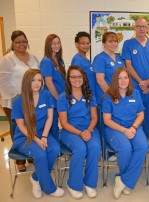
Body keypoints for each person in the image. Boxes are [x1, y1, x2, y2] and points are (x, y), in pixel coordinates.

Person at [11, 69, 64, 198]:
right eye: (33, 80)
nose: (37, 83)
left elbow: (50, 118)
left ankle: (36, 178)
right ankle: (49, 188)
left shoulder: (46, 95)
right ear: (27, 81)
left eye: (39, 80)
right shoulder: (18, 101)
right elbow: (21, 126)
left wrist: (44, 136)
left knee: (55, 148)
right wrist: (36, 139)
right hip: (25, 137)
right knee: (40, 153)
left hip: (43, 133)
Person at [102, 67, 149, 199]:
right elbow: (107, 120)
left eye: (125, 77)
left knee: (143, 147)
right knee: (125, 148)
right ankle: (127, 181)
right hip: (115, 129)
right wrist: (124, 130)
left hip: (133, 127)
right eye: (119, 78)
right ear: (115, 80)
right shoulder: (108, 96)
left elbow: (141, 115)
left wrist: (133, 128)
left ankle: (123, 180)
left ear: (129, 79)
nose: (123, 81)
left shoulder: (135, 93)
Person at [57, 66, 101, 199]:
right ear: (68, 79)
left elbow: (94, 117)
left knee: (95, 147)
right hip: (70, 131)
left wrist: (88, 130)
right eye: (73, 77)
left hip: (89, 128)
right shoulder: (63, 97)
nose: (76, 79)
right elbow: (64, 123)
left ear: (84, 78)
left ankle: (89, 182)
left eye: (79, 77)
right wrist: (80, 133)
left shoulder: (90, 95)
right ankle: (74, 184)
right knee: (80, 149)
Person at [0, 30, 39, 171]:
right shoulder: (7, 59)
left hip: (32, 101)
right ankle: (20, 160)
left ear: (27, 42)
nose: (21, 44)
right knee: (17, 129)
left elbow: (38, 76)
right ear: (13, 43)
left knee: (31, 127)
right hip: (13, 101)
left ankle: (30, 155)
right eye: (18, 42)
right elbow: (2, 81)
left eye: (24, 41)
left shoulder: (33, 57)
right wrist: (17, 98)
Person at [122, 17, 149, 139]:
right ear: (134, 28)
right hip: (134, 88)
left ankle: (144, 144)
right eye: (138, 26)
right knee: (133, 115)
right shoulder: (128, 44)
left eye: (144, 26)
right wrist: (141, 83)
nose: (141, 29)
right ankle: (132, 141)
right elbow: (128, 66)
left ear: (147, 28)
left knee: (147, 116)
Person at [92, 31, 124, 162]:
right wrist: (112, 95)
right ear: (104, 43)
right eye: (110, 41)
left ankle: (114, 150)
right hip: (105, 99)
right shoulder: (100, 58)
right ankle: (106, 154)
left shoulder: (119, 58)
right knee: (104, 126)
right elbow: (100, 80)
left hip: (118, 99)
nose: (113, 44)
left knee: (114, 126)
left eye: (115, 41)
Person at [40, 34, 66, 142]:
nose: (56, 45)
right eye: (53, 43)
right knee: (53, 124)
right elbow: (49, 83)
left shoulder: (59, 60)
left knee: (63, 123)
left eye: (58, 42)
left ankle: (61, 147)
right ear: (48, 45)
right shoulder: (46, 61)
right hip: (52, 97)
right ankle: (56, 151)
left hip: (60, 96)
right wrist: (59, 99)